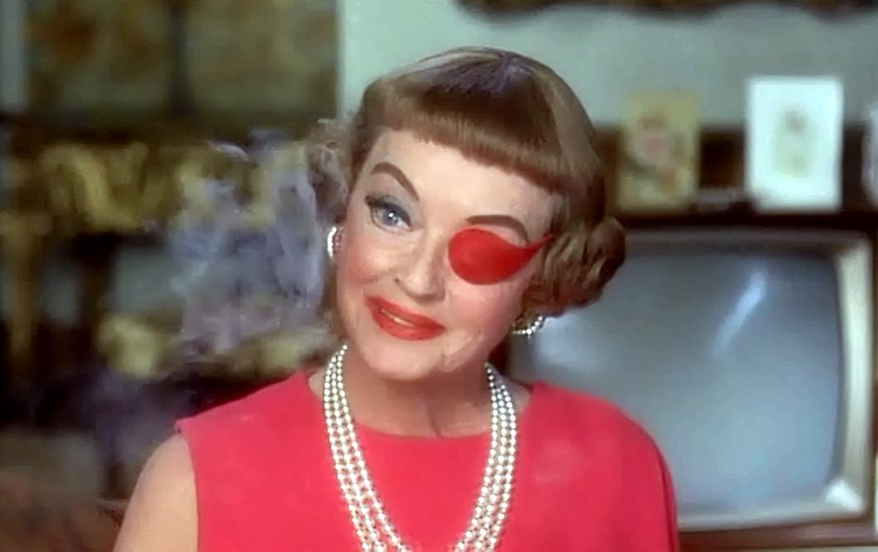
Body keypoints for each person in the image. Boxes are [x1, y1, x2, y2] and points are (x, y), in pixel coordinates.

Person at [114, 46, 678, 551]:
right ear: (345, 210)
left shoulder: (618, 466)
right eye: (393, 214)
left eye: (483, 250)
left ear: (540, 277)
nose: (419, 279)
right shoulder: (193, 483)